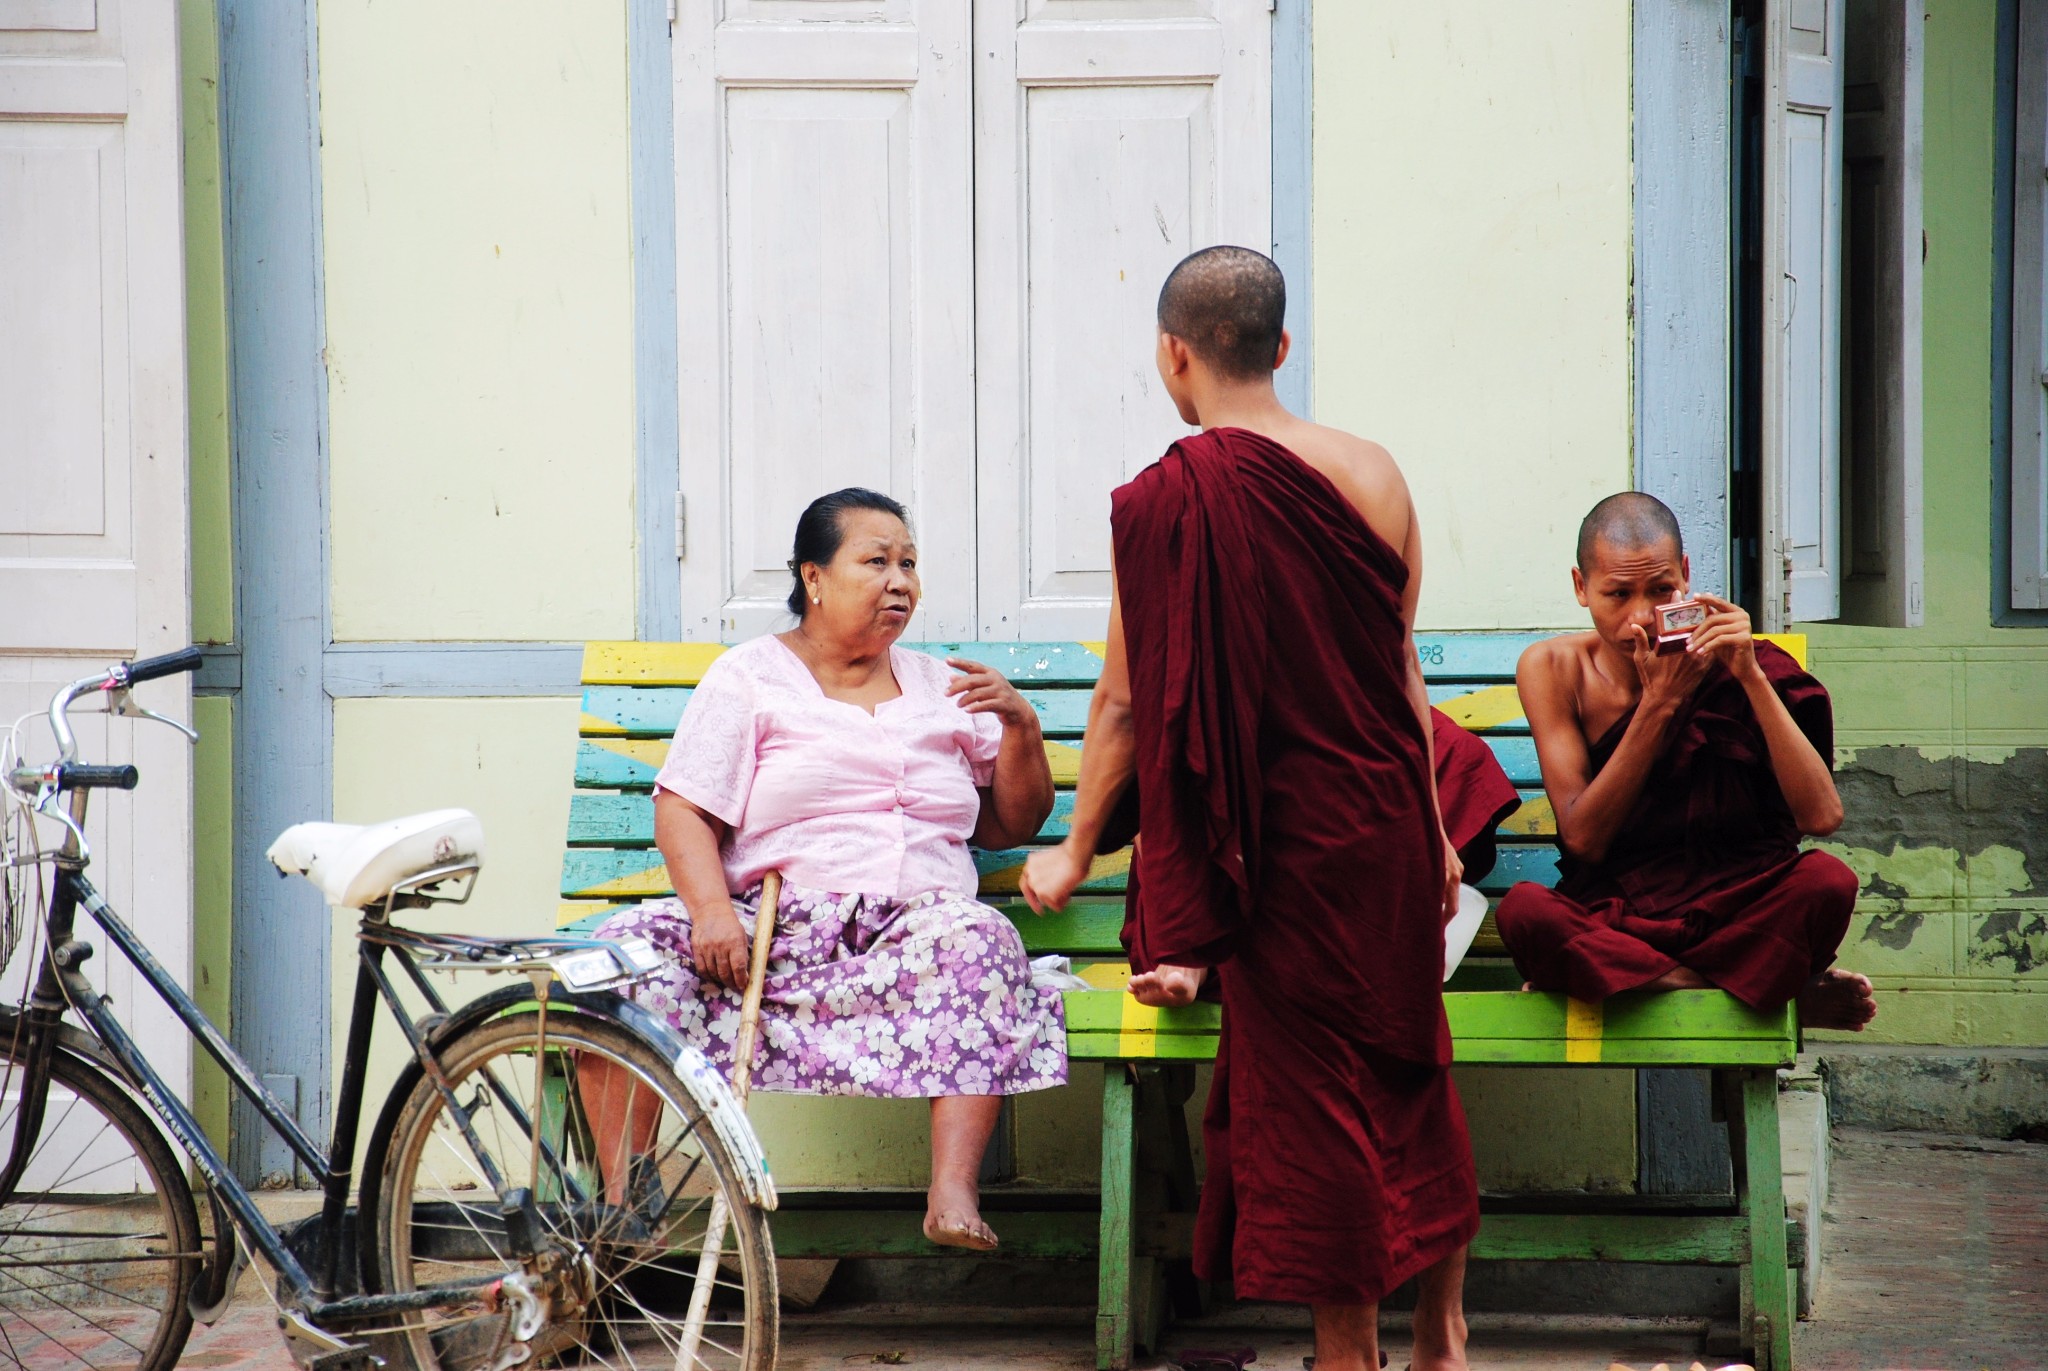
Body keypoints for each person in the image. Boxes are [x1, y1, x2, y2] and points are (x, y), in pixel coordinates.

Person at [1021, 247, 1478, 1371]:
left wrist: (1076, 850)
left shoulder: (1165, 498)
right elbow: (1399, 672)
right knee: (1406, 1063)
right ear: (1280, 348)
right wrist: (1430, 834)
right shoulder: (1372, 471)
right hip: (1371, 824)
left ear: (1172, 355)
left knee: (1311, 1097)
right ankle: (1442, 1328)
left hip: (1270, 848)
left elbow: (1126, 704)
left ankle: (1347, 1351)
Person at [588, 488, 1068, 1251]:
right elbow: (684, 809)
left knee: (985, 940)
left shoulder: (945, 687)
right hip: (771, 937)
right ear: (813, 577)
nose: (900, 580)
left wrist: (1020, 724)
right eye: (875, 561)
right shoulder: (749, 678)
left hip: (913, 935)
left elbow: (1013, 821)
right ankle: (623, 1196)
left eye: (908, 563)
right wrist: (711, 912)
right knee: (617, 958)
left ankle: (951, 1191)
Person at [1493, 492, 1877, 1030]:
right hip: (1621, 911)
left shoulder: (1746, 661)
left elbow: (1822, 818)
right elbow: (1584, 839)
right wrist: (1661, 703)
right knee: (1526, 913)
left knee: (1827, 881)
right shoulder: (1556, 669)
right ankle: (1771, 991)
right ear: (1581, 587)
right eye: (1618, 593)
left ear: (1687, 573)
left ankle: (1625, 980)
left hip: (1739, 904)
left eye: (1661, 588)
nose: (1641, 616)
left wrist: (1749, 674)